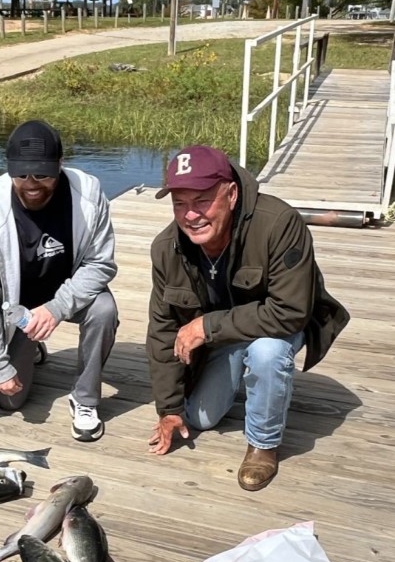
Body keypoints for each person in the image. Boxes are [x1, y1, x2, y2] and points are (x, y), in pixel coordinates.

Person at [146, 145, 349, 490]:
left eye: (202, 200)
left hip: (278, 326)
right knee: (200, 418)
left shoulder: (280, 223)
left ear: (231, 193)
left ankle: (263, 445)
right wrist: (168, 407)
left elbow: (290, 311)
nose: (191, 215)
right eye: (180, 203)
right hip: (224, 339)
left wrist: (206, 326)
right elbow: (162, 330)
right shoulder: (166, 247)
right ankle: (241, 371)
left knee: (267, 353)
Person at [0, 119, 118, 442]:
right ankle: (29, 346)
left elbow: (101, 264)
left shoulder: (88, 196)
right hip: (17, 309)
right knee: (8, 401)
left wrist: (56, 308)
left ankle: (86, 399)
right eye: (21, 174)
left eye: (42, 174)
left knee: (104, 308)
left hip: (68, 294)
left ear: (60, 165)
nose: (31, 183)